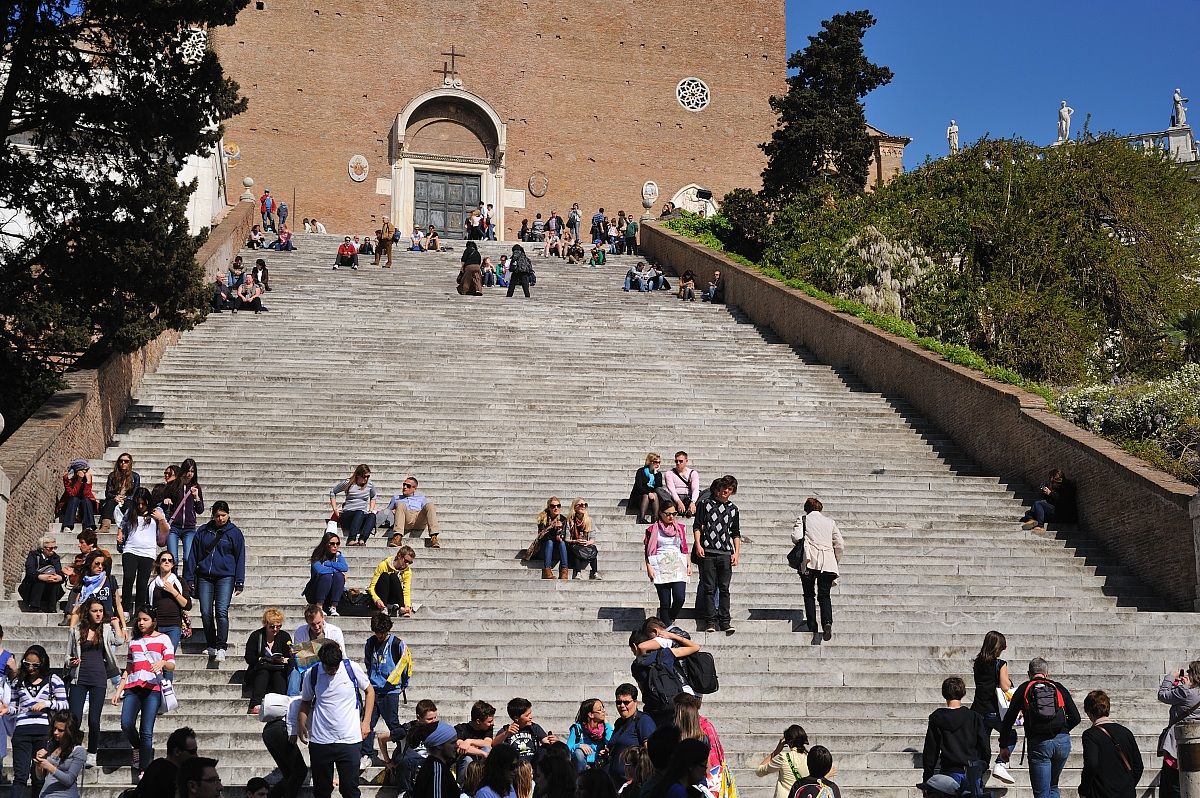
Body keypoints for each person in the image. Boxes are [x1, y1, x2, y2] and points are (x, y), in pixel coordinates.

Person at [298, 641, 374, 798]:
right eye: (329, 667)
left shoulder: (351, 668)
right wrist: (301, 723)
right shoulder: (312, 673)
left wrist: (366, 722)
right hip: (321, 741)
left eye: (335, 667)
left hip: (349, 740)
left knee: (350, 789)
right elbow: (305, 701)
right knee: (322, 790)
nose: (332, 670)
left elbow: (369, 691)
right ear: (322, 662)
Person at [999, 657, 1081, 798]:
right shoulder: (1058, 687)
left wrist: (1004, 745)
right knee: (1053, 786)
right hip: (1062, 742)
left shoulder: (1024, 688)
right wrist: (1063, 731)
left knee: (1042, 793)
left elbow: (1008, 719)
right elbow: (1076, 717)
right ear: (1047, 673)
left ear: (1029, 674)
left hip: (1039, 743)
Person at [114, 606, 176, 779]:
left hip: (152, 688)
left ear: (153, 621)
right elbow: (128, 667)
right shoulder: (134, 642)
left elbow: (172, 664)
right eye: (139, 619)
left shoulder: (163, 639)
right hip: (132, 687)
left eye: (145, 619)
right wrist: (119, 690)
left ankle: (144, 769)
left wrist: (162, 663)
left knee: (146, 730)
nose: (141, 623)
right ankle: (138, 747)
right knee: (126, 723)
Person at [187, 501, 246, 662]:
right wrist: (189, 577)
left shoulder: (235, 533)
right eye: (217, 515)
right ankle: (211, 644)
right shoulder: (203, 531)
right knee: (206, 611)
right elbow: (193, 555)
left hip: (225, 576)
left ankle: (221, 646)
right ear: (213, 515)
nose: (220, 518)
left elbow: (240, 557)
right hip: (205, 576)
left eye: (223, 515)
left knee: (221, 611)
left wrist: (239, 581)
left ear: (228, 514)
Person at [65, 598, 119, 767]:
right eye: (95, 611)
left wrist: (117, 625)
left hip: (98, 678)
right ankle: (73, 749)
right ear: (87, 612)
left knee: (94, 720)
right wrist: (71, 661)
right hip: (79, 677)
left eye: (100, 611)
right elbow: (66, 657)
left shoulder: (106, 629)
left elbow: (119, 641)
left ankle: (92, 753)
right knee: (75, 718)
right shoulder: (76, 630)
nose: (98, 614)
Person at [10, 645, 68, 798]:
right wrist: (6, 709)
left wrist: (46, 704)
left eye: (35, 665)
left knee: (39, 777)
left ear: (42, 663)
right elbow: (14, 707)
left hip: (44, 732)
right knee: (20, 776)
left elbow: (64, 704)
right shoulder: (18, 681)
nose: (30, 668)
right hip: (22, 731)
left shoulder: (53, 680)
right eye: (27, 664)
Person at [920, 677, 990, 797]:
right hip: (972, 771)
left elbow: (931, 751)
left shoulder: (937, 717)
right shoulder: (974, 717)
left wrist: (927, 777)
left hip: (949, 771)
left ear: (944, 693)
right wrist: (982, 767)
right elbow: (985, 746)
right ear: (963, 693)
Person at [361, 612, 411, 768]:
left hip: (391, 691)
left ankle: (402, 750)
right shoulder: (370, 643)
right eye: (377, 632)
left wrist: (403, 684)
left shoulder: (397, 644)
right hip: (374, 691)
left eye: (382, 632)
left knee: (393, 723)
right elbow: (368, 662)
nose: (379, 635)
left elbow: (405, 665)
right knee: (368, 722)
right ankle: (366, 754)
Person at [693, 475, 740, 635]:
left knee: (724, 589)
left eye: (730, 489)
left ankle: (725, 621)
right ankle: (710, 621)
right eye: (724, 488)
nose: (726, 491)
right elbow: (697, 525)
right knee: (709, 588)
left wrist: (736, 553)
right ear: (718, 488)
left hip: (725, 552)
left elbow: (735, 533)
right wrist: (698, 544)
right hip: (708, 551)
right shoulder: (705, 504)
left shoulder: (733, 509)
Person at [628, 628, 700, 729]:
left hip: (653, 709)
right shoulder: (665, 654)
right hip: (674, 705)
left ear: (634, 646)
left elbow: (643, 689)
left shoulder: (635, 666)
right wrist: (671, 636)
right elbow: (695, 647)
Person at [794, 497, 844, 641]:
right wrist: (835, 560)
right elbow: (840, 544)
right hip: (828, 562)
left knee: (809, 594)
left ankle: (812, 624)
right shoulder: (830, 522)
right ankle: (827, 623)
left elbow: (796, 537)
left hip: (809, 561)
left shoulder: (803, 519)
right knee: (825, 595)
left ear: (806, 509)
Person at [971, 630, 1016, 785]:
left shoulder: (977, 663)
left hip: (977, 710)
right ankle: (1000, 764)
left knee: (982, 750)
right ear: (998, 647)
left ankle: (976, 787)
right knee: (1011, 735)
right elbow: (1005, 686)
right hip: (994, 711)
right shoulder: (1000, 664)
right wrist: (1010, 681)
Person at [117, 486, 169, 621]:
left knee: (142, 582)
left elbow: (165, 531)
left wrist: (161, 519)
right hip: (130, 549)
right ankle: (125, 609)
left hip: (148, 552)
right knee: (128, 578)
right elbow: (122, 525)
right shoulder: (131, 511)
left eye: (143, 503)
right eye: (138, 503)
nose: (140, 506)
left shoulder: (157, 512)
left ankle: (139, 611)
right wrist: (120, 534)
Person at [1079, 689, 1142, 798]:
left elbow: (1091, 764)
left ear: (1089, 712)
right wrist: (1128, 786)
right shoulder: (1126, 732)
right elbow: (1138, 766)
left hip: (1101, 793)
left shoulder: (1090, 735)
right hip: (1126, 793)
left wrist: (1083, 790)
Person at [1156, 661, 1200, 798]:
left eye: (1189, 671)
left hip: (1177, 746)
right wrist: (1181, 686)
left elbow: (1162, 695)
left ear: (1194, 674)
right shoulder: (1189, 692)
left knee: (1171, 788)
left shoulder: (1186, 692)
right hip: (1195, 744)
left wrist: (1170, 677)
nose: (1187, 673)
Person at [672, 694, 727, 798]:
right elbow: (708, 767)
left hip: (678, 784)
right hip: (699, 785)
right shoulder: (703, 738)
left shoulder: (673, 739)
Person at [644, 507, 691, 626]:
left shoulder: (680, 528)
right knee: (665, 601)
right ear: (661, 513)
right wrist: (649, 566)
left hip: (678, 565)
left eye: (674, 514)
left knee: (680, 597)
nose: (671, 517)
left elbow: (684, 548)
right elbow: (648, 550)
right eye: (668, 514)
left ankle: (670, 616)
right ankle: (667, 626)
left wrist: (689, 564)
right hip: (660, 565)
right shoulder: (653, 529)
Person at [244, 608, 292, 715]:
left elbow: (289, 656)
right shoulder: (256, 636)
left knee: (278, 674)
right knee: (263, 672)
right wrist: (260, 659)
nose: (275, 629)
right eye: (272, 627)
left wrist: (283, 659)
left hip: (277, 669)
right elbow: (249, 657)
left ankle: (281, 704)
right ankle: (255, 704)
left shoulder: (284, 636)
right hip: (259, 670)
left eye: (278, 626)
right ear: (266, 624)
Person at [261, 691, 307, 798]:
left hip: (269, 730)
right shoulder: (308, 698)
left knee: (289, 774)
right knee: (300, 771)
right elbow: (294, 706)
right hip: (279, 730)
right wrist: (292, 731)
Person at [131, 725, 197, 797]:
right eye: (192, 752)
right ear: (177, 751)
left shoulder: (156, 765)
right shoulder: (173, 777)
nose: (196, 755)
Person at [608, 684, 655, 784]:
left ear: (635, 702)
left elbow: (650, 753)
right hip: (615, 781)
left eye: (626, 702)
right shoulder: (619, 723)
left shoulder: (643, 720)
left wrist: (638, 779)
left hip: (632, 783)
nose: (622, 705)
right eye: (618, 702)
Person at [164, 457, 204, 572]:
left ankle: (186, 581)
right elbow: (163, 499)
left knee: (188, 558)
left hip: (189, 528)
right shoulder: (174, 484)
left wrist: (196, 497)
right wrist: (166, 500)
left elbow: (200, 510)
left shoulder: (196, 487)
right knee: (173, 559)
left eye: (192, 471)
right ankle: (174, 580)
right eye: (188, 470)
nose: (190, 474)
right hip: (174, 526)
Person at [147, 548, 191, 654]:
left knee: (168, 656)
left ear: (172, 565)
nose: (167, 562)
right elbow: (148, 605)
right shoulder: (153, 584)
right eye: (163, 560)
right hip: (157, 626)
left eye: (170, 560)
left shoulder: (179, 582)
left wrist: (173, 591)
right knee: (157, 657)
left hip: (174, 625)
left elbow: (187, 605)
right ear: (159, 563)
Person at [33, 711, 85, 798]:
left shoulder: (78, 751)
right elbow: (40, 777)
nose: (55, 732)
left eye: (60, 730)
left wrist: (49, 766)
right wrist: (39, 765)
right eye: (54, 728)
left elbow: (69, 780)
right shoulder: (51, 747)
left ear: (69, 732)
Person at [381, 476, 442, 548]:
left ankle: (434, 537)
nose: (405, 487)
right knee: (400, 504)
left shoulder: (421, 498)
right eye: (404, 485)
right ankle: (397, 537)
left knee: (430, 505)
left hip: (418, 519)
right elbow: (387, 511)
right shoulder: (396, 498)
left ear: (414, 488)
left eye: (408, 486)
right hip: (405, 519)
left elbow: (427, 510)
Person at [492, 698, 556, 764]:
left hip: (532, 764)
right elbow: (494, 745)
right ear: (516, 718)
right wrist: (506, 733)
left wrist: (553, 741)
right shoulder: (506, 730)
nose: (530, 717)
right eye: (527, 715)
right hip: (515, 765)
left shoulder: (534, 728)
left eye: (530, 713)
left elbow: (546, 742)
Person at [329, 465, 378, 546]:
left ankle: (362, 539)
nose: (366, 479)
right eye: (364, 476)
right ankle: (351, 539)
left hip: (361, 516)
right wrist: (335, 509)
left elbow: (373, 496)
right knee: (359, 512)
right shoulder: (348, 483)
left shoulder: (370, 484)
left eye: (368, 476)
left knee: (372, 516)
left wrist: (371, 509)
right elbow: (333, 492)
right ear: (358, 475)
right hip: (348, 515)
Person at [755, 724, 808, 798]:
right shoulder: (810, 757)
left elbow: (759, 771)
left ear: (788, 742)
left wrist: (775, 752)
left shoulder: (783, 757)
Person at [413, 721, 461, 798]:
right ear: (439, 746)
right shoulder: (437, 771)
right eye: (452, 743)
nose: (457, 746)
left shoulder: (435, 767)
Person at [304, 531, 348, 616]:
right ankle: (319, 606)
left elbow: (345, 567)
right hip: (315, 591)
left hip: (330, 592)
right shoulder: (317, 555)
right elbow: (320, 570)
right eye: (332, 543)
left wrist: (329, 564)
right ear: (326, 543)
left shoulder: (338, 555)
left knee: (339, 576)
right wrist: (336, 570)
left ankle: (333, 607)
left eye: (337, 543)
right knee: (326, 576)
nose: (335, 546)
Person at [1020, 468, 1075, 534]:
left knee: (1038, 504)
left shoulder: (1067, 486)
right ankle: (1032, 520)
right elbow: (1048, 501)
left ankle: (1040, 526)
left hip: (1063, 513)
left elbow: (1063, 501)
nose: (1052, 481)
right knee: (1029, 512)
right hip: (1054, 512)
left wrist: (1050, 493)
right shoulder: (1054, 486)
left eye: (1054, 479)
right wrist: (1045, 493)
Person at [18, 538, 64, 613]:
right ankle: (34, 606)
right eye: (50, 548)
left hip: (49, 588)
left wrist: (59, 577)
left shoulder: (55, 557)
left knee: (53, 581)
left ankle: (52, 607)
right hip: (32, 588)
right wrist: (40, 576)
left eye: (54, 547)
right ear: (43, 548)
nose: (53, 550)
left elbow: (59, 571)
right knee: (40, 580)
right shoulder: (33, 555)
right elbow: (30, 571)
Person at [367, 546, 416, 617]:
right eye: (406, 561)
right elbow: (372, 587)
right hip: (381, 595)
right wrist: (376, 599)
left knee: (393, 576)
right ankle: (383, 608)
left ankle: (401, 607)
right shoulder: (383, 565)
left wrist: (407, 605)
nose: (407, 564)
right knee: (385, 575)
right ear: (399, 556)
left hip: (393, 597)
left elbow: (406, 590)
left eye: (410, 562)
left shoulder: (407, 571)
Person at [566, 699, 612, 773]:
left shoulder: (605, 728)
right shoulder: (577, 728)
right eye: (600, 710)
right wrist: (579, 745)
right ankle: (580, 777)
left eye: (603, 708)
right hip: (582, 766)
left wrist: (606, 723)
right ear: (591, 715)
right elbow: (567, 748)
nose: (603, 711)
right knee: (578, 752)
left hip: (599, 763)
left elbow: (610, 742)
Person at [455, 701, 496, 782]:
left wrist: (469, 741)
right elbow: (461, 747)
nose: (493, 724)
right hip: (465, 764)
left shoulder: (487, 728)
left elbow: (488, 743)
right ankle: (462, 785)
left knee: (487, 749)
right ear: (478, 721)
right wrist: (483, 753)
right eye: (489, 721)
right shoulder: (460, 729)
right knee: (468, 759)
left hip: (481, 762)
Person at [99, 452, 140, 533]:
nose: (123, 463)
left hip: (128, 499)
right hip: (115, 499)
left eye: (126, 461)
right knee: (110, 503)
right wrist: (115, 497)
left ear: (130, 463)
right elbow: (108, 493)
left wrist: (126, 498)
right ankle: (105, 526)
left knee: (130, 505)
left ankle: (130, 526)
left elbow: (136, 492)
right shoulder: (112, 475)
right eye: (121, 461)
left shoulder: (135, 476)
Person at [535, 497, 570, 580]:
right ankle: (547, 570)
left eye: (558, 506)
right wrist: (552, 527)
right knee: (550, 542)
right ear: (549, 507)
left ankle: (564, 570)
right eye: (553, 506)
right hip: (544, 550)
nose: (556, 508)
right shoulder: (543, 519)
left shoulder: (563, 519)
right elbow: (541, 537)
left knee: (562, 542)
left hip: (558, 551)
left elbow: (565, 536)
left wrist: (560, 535)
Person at [57, 459, 97, 532]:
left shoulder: (88, 477)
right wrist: (79, 480)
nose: (85, 472)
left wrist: (88, 483)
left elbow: (87, 494)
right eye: (84, 470)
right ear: (78, 470)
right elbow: (72, 494)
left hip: (84, 505)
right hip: (70, 504)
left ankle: (89, 526)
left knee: (86, 500)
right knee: (74, 499)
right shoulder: (68, 478)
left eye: (87, 470)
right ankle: (67, 525)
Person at [567, 498, 600, 579]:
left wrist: (588, 542)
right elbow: (567, 538)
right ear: (575, 507)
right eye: (581, 505)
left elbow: (592, 537)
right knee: (576, 549)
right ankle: (578, 573)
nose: (583, 506)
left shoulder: (589, 520)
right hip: (574, 545)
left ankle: (595, 572)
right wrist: (576, 541)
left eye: (585, 505)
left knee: (593, 549)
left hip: (586, 544)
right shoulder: (570, 521)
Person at [628, 453, 666, 524]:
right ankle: (642, 518)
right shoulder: (641, 471)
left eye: (659, 462)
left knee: (655, 494)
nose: (658, 464)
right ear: (650, 462)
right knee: (646, 496)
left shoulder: (658, 474)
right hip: (639, 497)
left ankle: (655, 518)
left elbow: (659, 487)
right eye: (655, 462)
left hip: (652, 499)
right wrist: (648, 493)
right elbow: (638, 486)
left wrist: (655, 473)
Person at [664, 452, 700, 518]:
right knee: (659, 490)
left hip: (689, 497)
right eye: (676, 461)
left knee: (708, 491)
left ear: (686, 461)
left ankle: (691, 508)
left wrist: (693, 502)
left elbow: (695, 489)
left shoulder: (693, 473)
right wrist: (678, 502)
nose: (678, 463)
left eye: (681, 461)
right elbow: (672, 491)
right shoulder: (669, 473)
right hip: (675, 498)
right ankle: (675, 508)